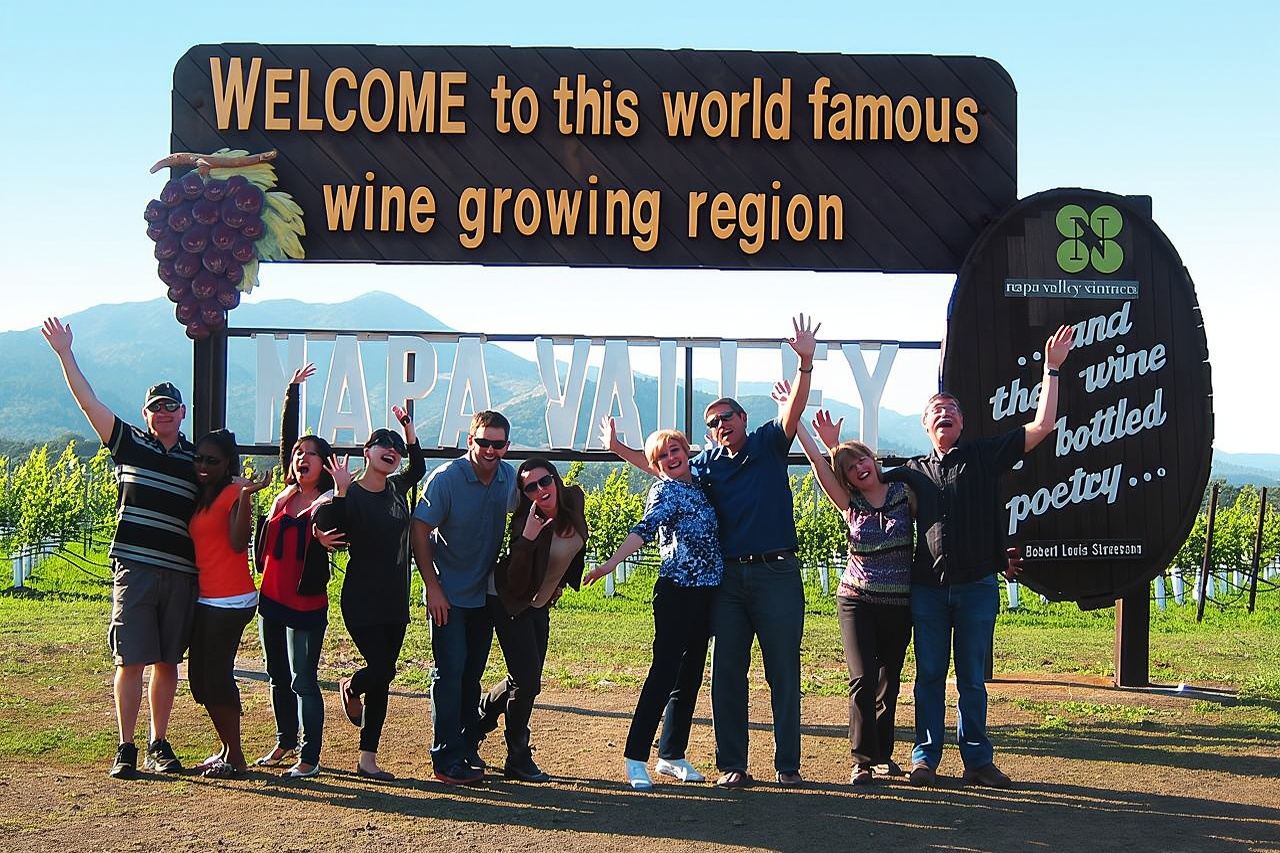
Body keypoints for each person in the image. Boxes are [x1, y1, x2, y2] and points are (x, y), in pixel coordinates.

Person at [608, 314, 819, 788]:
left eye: (727, 416)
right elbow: (663, 465)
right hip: (726, 580)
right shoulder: (704, 465)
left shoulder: (767, 443)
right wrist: (619, 448)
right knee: (727, 673)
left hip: (777, 574)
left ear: (743, 418)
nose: (721, 424)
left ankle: (788, 766)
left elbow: (793, 412)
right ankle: (734, 765)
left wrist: (805, 364)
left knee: (783, 672)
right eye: (712, 421)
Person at [882, 325, 1075, 789]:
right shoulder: (910, 471)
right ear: (926, 426)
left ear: (962, 423)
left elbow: (1042, 426)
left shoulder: (985, 456)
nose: (943, 413)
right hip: (926, 590)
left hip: (975, 587)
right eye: (935, 411)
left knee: (971, 678)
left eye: (950, 409)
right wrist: (828, 443)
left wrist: (1051, 369)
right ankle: (924, 760)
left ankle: (977, 762)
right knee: (928, 676)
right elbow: (857, 480)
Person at [42, 316, 197, 779]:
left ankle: (159, 742)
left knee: (168, 661)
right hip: (136, 568)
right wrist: (65, 354)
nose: (164, 411)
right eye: (156, 407)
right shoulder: (128, 443)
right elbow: (89, 403)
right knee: (130, 659)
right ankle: (126, 746)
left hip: (182, 572)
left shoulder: (199, 461)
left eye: (171, 405)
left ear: (183, 412)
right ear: (146, 414)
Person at [584, 429, 722, 791]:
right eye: (662, 457)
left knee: (689, 675)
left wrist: (617, 447)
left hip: (707, 594)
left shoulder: (701, 484)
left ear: (685, 450)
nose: (671, 458)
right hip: (676, 593)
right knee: (663, 674)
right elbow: (644, 529)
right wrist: (611, 564)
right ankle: (635, 759)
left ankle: (672, 754)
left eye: (675, 450)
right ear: (656, 466)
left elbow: (663, 464)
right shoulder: (664, 489)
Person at [796, 408, 918, 786]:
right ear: (845, 478)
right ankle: (862, 760)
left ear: (873, 459)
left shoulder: (904, 494)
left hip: (899, 603)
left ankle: (883, 755)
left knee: (889, 679)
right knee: (862, 677)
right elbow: (818, 462)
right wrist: (795, 417)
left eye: (862, 459)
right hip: (857, 599)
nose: (859, 468)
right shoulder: (851, 505)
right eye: (850, 467)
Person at [314, 407, 425, 782]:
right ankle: (350, 685)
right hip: (361, 598)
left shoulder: (396, 489)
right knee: (382, 669)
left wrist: (408, 429)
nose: (391, 450)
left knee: (384, 679)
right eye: (383, 444)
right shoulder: (352, 493)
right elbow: (334, 528)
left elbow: (419, 467)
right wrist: (342, 491)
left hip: (395, 598)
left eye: (396, 447)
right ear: (367, 452)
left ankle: (367, 759)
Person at [411, 411, 518, 786]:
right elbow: (420, 529)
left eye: (498, 444)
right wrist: (432, 587)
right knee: (449, 674)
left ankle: (464, 747)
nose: (490, 450)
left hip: (483, 595)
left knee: (471, 677)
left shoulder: (508, 476)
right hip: (449, 596)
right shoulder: (446, 480)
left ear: (507, 446)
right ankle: (445, 758)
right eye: (483, 442)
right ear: (469, 441)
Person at [473, 458, 588, 783]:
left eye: (545, 481)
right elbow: (516, 580)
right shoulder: (526, 521)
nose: (540, 490)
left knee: (525, 677)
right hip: (508, 600)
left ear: (556, 479)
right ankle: (518, 759)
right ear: (524, 494)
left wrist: (560, 583)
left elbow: (573, 547)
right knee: (528, 681)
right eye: (531, 488)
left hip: (538, 604)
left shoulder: (574, 500)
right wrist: (527, 539)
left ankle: (476, 723)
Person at [254, 364, 341, 779]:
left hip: (305, 603)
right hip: (270, 599)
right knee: (276, 676)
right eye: (296, 453)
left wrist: (324, 537)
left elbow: (343, 524)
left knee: (303, 679)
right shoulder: (285, 493)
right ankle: (286, 742)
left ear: (325, 464)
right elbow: (287, 440)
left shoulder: (327, 502)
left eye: (310, 454)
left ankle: (310, 756)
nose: (300, 457)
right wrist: (291, 393)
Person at [186, 429, 270, 778]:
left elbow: (238, 543)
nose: (204, 465)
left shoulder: (235, 492)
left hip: (231, 600)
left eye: (213, 460)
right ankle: (226, 749)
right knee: (199, 679)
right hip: (206, 598)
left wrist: (247, 495)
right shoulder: (204, 493)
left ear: (228, 464)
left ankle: (235, 757)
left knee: (215, 676)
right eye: (200, 459)